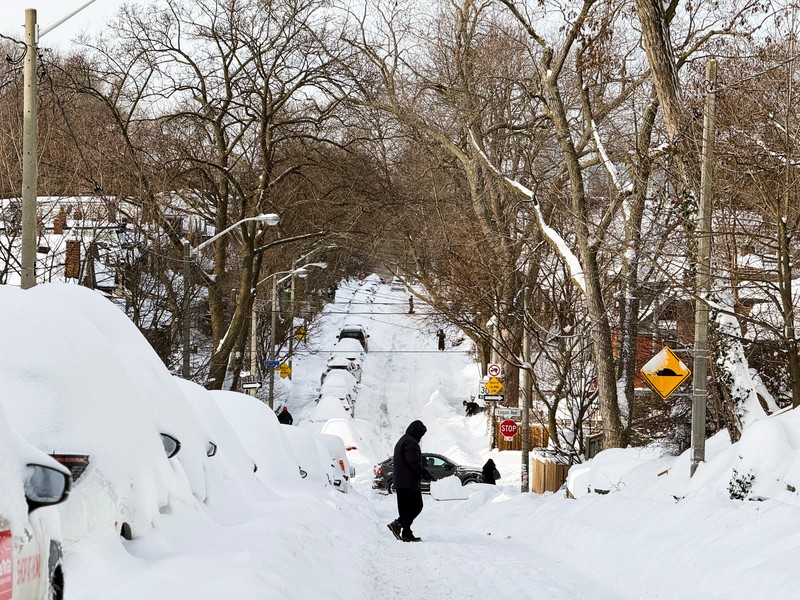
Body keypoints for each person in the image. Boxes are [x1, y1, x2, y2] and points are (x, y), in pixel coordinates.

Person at [387, 420, 433, 542]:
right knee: (417, 506)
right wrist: (424, 473)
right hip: (409, 482)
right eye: (421, 434)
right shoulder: (411, 443)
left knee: (405, 509)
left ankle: (406, 533)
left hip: (401, 482)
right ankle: (398, 524)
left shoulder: (403, 440)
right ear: (417, 432)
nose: (421, 437)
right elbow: (413, 462)